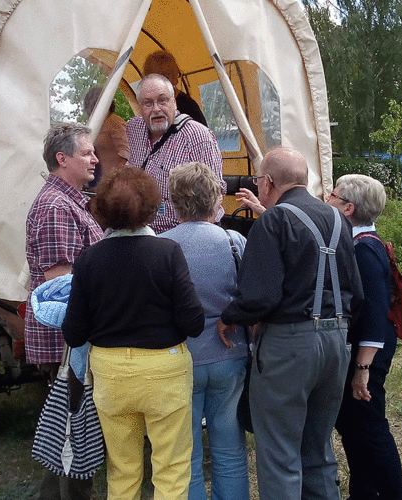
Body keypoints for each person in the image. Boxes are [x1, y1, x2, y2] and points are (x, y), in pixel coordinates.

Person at [219, 147, 363, 500]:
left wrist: (229, 317)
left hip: (290, 345)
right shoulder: (338, 220)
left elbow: (259, 297)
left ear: (267, 182)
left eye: (258, 179)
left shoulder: (274, 220)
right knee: (318, 450)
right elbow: (357, 293)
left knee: (280, 454)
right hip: (336, 341)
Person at [61, 166, 205, 500]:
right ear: (153, 209)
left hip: (111, 374)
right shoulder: (168, 253)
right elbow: (193, 323)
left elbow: (74, 333)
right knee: (171, 470)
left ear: (102, 211)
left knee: (122, 471)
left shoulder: (88, 259)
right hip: (164, 370)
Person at [160, 162, 250, 500]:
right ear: (216, 198)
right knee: (230, 449)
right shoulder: (234, 241)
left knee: (187, 454)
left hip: (181, 357)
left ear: (173, 203)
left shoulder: (162, 245)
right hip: (230, 353)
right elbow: (249, 295)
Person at [25, 123, 105, 500]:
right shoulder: (57, 207)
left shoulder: (67, 201)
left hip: (71, 339)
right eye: (87, 153)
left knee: (67, 428)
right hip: (68, 342)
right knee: (76, 428)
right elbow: (63, 289)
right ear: (63, 159)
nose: (95, 159)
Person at [328, 174, 402, 500]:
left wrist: (363, 369)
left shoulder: (363, 251)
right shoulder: (356, 244)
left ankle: (389, 493)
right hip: (361, 350)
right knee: (351, 423)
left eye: (332, 194)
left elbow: (374, 313)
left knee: (370, 426)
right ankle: (364, 491)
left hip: (368, 353)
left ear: (348, 207)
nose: (326, 198)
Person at [127, 73, 224, 233]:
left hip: (189, 234)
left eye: (162, 100)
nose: (156, 109)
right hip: (144, 234)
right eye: (148, 103)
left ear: (174, 103)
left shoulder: (198, 136)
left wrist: (191, 237)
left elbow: (216, 194)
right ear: (139, 107)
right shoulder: (133, 129)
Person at [143, 50, 208, 126]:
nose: (160, 82)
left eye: (166, 77)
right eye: (155, 77)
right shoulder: (147, 107)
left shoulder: (188, 106)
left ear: (175, 79)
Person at [83, 86, 130, 187]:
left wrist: (113, 176)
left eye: (93, 103)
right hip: (95, 183)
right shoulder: (95, 125)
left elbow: (125, 151)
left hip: (111, 183)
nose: (90, 108)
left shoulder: (115, 122)